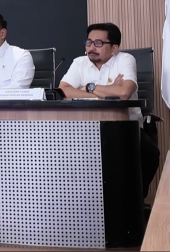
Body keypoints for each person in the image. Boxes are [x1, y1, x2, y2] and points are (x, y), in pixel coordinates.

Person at [59, 22, 160, 199]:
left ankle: (135, 201)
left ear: (114, 48)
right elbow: (63, 91)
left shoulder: (125, 59)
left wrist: (87, 87)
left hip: (125, 126)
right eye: (89, 42)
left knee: (150, 154)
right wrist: (106, 93)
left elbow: (124, 92)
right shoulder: (79, 62)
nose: (91, 47)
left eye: (98, 43)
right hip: (85, 127)